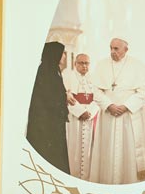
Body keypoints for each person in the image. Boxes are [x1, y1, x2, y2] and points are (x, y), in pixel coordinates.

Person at [88, 38, 145, 184]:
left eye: (116, 48)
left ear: (126, 50)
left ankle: (130, 182)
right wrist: (109, 105)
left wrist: (125, 106)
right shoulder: (102, 65)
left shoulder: (137, 65)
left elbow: (143, 93)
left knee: (129, 149)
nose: (112, 51)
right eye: (111, 48)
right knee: (108, 149)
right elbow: (96, 91)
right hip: (109, 114)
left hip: (129, 115)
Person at [26, 42, 70, 174]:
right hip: (45, 124)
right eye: (62, 53)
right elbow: (47, 98)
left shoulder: (53, 71)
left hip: (53, 122)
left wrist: (65, 96)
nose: (64, 56)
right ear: (55, 54)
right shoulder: (45, 72)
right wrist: (64, 97)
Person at [62, 53, 99, 179]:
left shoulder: (94, 78)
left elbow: (98, 98)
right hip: (74, 117)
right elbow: (66, 98)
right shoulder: (68, 76)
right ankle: (74, 175)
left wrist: (90, 112)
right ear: (75, 64)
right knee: (74, 147)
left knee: (89, 148)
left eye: (86, 63)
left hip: (90, 117)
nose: (84, 66)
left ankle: (87, 177)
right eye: (81, 63)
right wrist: (80, 112)